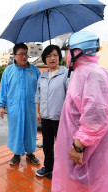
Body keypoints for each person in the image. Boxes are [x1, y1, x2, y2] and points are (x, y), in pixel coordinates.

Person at [51, 31, 108, 192]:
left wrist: (78, 146)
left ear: (78, 52)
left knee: (89, 189)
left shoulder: (93, 74)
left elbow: (95, 116)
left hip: (87, 149)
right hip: (80, 146)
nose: (65, 56)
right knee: (79, 188)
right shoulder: (82, 72)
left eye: (68, 51)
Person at [0, 43, 41, 165]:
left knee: (31, 130)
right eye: (21, 54)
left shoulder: (34, 70)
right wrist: (1, 106)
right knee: (15, 130)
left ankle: (30, 153)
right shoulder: (8, 71)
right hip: (15, 107)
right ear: (14, 56)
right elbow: (3, 89)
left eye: (26, 53)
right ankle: (16, 154)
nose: (24, 56)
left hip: (30, 107)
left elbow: (40, 89)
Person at [35, 45, 69, 177]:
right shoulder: (42, 77)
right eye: (48, 56)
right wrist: (38, 112)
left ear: (59, 57)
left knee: (62, 146)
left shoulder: (66, 73)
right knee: (47, 144)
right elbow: (38, 96)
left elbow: (70, 96)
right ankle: (48, 167)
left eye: (55, 55)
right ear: (45, 59)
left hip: (60, 117)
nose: (52, 58)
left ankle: (62, 171)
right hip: (45, 117)